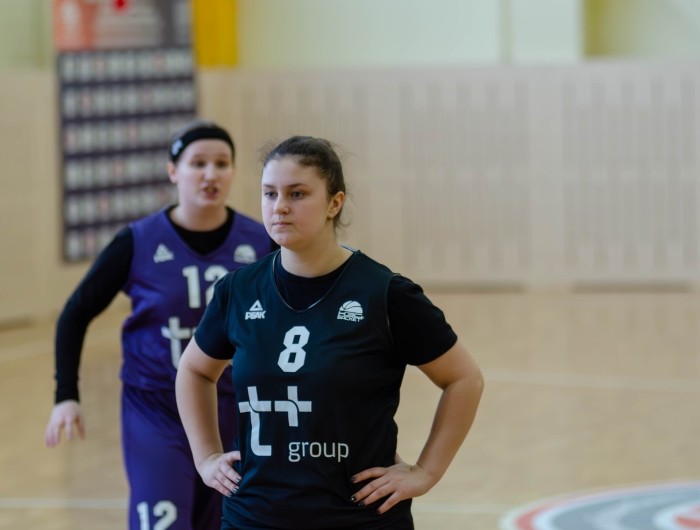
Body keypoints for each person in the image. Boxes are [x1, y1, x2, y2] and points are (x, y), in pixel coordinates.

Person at [175, 135, 485, 529]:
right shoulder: (237, 291)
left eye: (297, 194)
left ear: (334, 203)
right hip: (254, 516)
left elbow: (464, 378)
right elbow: (194, 370)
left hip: (357, 518)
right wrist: (206, 458)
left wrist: (426, 472)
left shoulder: (385, 294)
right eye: (269, 193)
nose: (279, 206)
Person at [44, 120, 276, 530]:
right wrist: (66, 395)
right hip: (156, 408)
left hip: (232, 410)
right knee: (162, 520)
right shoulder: (138, 241)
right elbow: (76, 312)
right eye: (197, 163)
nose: (210, 174)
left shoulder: (260, 243)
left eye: (222, 163)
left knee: (222, 521)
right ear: (173, 171)